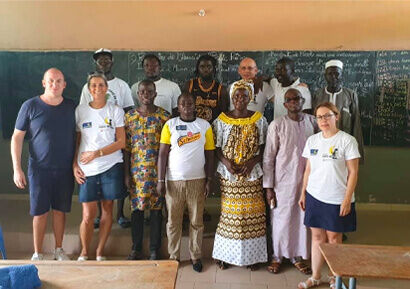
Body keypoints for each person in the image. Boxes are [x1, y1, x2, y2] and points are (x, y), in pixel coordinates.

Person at [11, 68, 76, 261]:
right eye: (51, 81)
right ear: (44, 83)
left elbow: (80, 136)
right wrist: (17, 168)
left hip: (64, 170)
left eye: (58, 81)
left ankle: (58, 250)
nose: (54, 85)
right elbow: (16, 137)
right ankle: (37, 253)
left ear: (64, 84)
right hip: (39, 170)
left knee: (60, 211)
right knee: (39, 212)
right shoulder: (30, 106)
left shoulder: (72, 107)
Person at [298, 102, 360, 288]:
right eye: (319, 117)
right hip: (314, 196)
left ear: (336, 116)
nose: (323, 120)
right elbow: (308, 170)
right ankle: (316, 276)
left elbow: (353, 173)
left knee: (334, 238)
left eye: (327, 116)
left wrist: (347, 199)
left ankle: (335, 278)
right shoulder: (313, 140)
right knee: (317, 238)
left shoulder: (347, 140)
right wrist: (303, 193)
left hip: (337, 198)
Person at [212, 80, 268, 270]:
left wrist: (253, 162)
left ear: (250, 97)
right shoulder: (221, 120)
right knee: (230, 215)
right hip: (229, 175)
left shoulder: (259, 119)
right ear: (231, 97)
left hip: (252, 174)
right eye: (236, 95)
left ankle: (253, 257)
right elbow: (217, 147)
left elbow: (263, 147)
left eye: (244, 95)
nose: (240, 99)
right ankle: (225, 255)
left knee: (253, 215)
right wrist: (226, 162)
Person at [157, 92, 215, 272]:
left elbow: (210, 154)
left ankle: (195, 256)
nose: (187, 107)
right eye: (183, 104)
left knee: (196, 221)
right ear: (178, 106)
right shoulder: (170, 125)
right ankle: (173, 256)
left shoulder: (204, 126)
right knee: (173, 222)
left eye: (190, 103)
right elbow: (162, 154)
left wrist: (209, 179)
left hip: (197, 180)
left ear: (195, 105)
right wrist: (160, 180)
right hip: (174, 181)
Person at [263, 88, 317, 275]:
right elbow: (268, 157)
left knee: (302, 220)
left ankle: (297, 256)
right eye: (290, 99)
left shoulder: (313, 123)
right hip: (282, 182)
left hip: (307, 182)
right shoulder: (277, 125)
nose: (294, 102)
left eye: (297, 99)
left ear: (303, 102)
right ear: (284, 104)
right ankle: (277, 256)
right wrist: (268, 187)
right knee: (280, 219)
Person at [74, 73, 127, 261]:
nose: (97, 88)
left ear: (106, 88)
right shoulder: (80, 111)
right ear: (89, 90)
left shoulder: (116, 111)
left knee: (107, 209)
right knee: (88, 215)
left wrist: (97, 153)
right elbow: (77, 141)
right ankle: (84, 252)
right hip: (86, 169)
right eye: (94, 86)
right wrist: (74, 165)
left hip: (111, 166)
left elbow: (121, 142)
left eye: (101, 85)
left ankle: (99, 251)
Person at [80, 48, 133, 229]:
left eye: (107, 59)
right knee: (97, 180)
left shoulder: (122, 85)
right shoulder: (87, 87)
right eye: (99, 60)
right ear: (95, 63)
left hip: (117, 135)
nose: (103, 62)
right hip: (95, 138)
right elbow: (83, 113)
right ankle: (98, 216)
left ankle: (119, 214)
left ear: (112, 62)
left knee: (117, 182)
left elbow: (128, 110)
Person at [124, 79, 170, 260]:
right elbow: (126, 149)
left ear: (155, 94)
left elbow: (169, 149)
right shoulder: (129, 117)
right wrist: (126, 174)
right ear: (138, 94)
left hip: (158, 173)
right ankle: (136, 248)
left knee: (157, 212)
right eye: (142, 92)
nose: (145, 95)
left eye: (149, 92)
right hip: (136, 174)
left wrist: (164, 176)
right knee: (137, 211)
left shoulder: (164, 117)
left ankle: (154, 249)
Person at [313, 60, 365, 162]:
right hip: (322, 144)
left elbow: (356, 124)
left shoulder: (350, 95)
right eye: (330, 74)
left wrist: (357, 154)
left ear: (342, 75)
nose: (333, 77)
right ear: (325, 75)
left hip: (344, 145)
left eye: (336, 74)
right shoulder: (318, 95)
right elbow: (313, 123)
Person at [183, 54, 229, 123]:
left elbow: (224, 113)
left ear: (213, 68)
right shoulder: (189, 85)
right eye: (202, 67)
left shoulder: (221, 89)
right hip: (193, 127)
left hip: (213, 128)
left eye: (209, 66)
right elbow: (183, 108)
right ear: (197, 68)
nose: (206, 69)